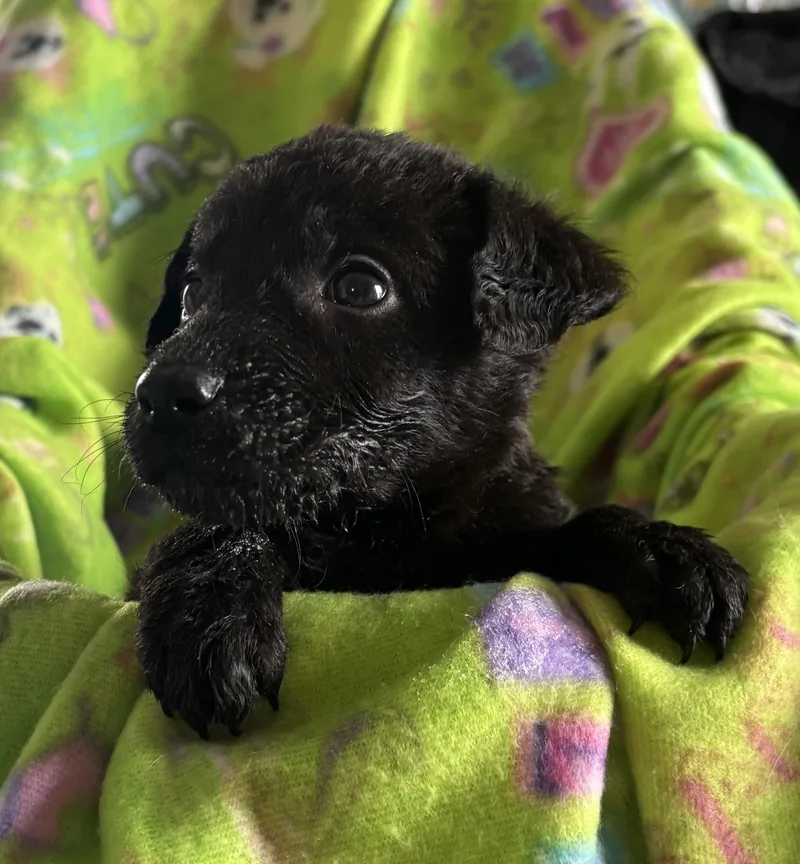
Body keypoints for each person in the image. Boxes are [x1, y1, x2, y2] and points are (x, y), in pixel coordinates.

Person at [1, 1, 799, 861]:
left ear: (508, 324)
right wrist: (217, 555)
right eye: (199, 295)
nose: (183, 361)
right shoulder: (246, 541)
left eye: (357, 289)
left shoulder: (536, 537)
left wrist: (613, 548)